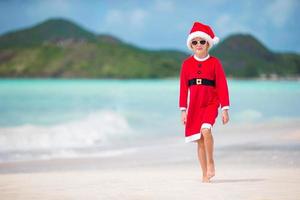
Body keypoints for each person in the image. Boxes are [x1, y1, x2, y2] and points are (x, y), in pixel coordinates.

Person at [179, 21, 230, 183]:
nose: (198, 44)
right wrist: (183, 110)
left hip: (211, 103)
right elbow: (183, 89)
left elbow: (222, 86)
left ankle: (211, 162)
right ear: (191, 45)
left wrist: (225, 108)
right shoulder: (186, 64)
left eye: (202, 41)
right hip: (194, 105)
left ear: (208, 43)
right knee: (199, 140)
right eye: (195, 42)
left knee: (206, 130)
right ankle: (204, 175)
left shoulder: (215, 63)